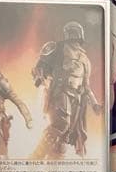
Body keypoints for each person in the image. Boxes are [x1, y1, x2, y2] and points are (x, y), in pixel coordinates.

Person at [31, 20, 103, 160]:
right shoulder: (58, 48)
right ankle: (36, 157)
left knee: (65, 135)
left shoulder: (85, 59)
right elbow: (40, 65)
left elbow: (86, 86)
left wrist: (94, 104)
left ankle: (53, 168)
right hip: (60, 92)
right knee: (61, 124)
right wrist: (40, 77)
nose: (74, 38)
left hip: (76, 99)